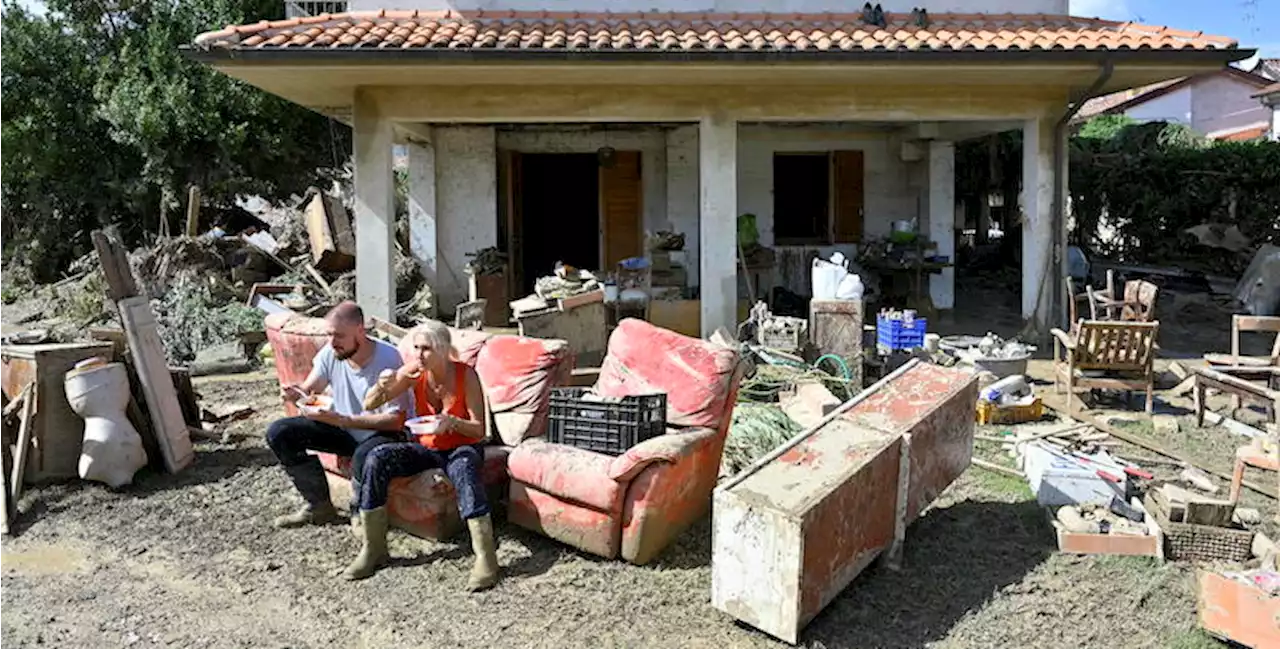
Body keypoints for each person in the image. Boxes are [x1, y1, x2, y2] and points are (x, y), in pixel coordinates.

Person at [356, 319, 499, 589]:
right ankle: (373, 548)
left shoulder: (464, 375)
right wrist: (382, 385)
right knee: (377, 457)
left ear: (443, 349)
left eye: (426, 349)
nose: (419, 355)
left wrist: (452, 422)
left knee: (464, 468)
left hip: (461, 445)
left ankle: (485, 557)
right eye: (416, 348)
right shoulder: (414, 371)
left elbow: (479, 431)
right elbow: (369, 404)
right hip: (426, 446)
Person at [266, 301, 412, 537]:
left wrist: (341, 419)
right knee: (280, 432)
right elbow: (310, 390)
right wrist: (295, 394)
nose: (333, 342)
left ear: (361, 332)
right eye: (329, 334)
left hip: (383, 432)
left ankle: (359, 513)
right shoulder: (331, 352)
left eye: (340, 336)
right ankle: (319, 506)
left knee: (365, 454)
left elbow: (396, 421)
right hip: (343, 426)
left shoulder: (388, 359)